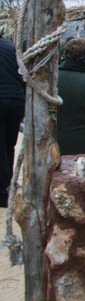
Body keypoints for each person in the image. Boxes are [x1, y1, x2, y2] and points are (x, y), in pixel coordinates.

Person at [0, 34, 24, 208]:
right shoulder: (11, 48)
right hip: (17, 101)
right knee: (9, 145)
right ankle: (9, 185)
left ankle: (3, 191)